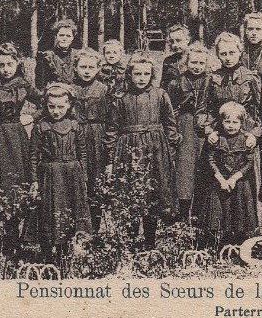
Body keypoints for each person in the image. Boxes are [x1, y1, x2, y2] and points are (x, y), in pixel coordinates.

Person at [196, 32, 262, 227]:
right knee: (216, 185)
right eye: (223, 53)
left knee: (245, 186)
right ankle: (218, 234)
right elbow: (201, 111)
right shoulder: (212, 78)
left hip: (245, 139)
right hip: (220, 139)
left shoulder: (251, 77)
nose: (227, 57)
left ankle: (247, 232)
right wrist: (209, 131)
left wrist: (255, 134)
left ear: (240, 52)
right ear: (217, 54)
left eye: (231, 52)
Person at [105, 54, 181, 250]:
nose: (141, 77)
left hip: (155, 149)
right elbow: (112, 129)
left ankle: (149, 243)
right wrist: (112, 157)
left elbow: (170, 124)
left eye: (146, 73)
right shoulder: (120, 98)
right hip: (128, 149)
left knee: (152, 195)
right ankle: (129, 243)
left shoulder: (160, 95)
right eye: (137, 73)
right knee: (131, 192)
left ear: (152, 75)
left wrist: (170, 151)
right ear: (129, 75)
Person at [30, 83, 91, 261]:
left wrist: (83, 177)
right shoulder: (41, 127)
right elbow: (33, 156)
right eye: (51, 107)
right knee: (49, 210)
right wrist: (34, 181)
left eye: (60, 107)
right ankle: (47, 253)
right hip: (49, 174)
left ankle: (64, 250)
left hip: (72, 174)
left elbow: (83, 153)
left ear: (69, 105)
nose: (56, 111)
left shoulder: (74, 126)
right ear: (46, 105)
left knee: (68, 210)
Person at [0, 42, 36, 249]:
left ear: (17, 63)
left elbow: (45, 101)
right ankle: (4, 230)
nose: (5, 69)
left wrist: (31, 117)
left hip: (17, 137)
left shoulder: (23, 85)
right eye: (1, 65)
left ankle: (18, 232)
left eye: (9, 64)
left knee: (18, 181)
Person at [198, 101, 259, 250]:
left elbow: (249, 162)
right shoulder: (216, 138)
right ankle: (217, 245)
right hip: (220, 181)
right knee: (219, 211)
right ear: (221, 122)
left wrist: (234, 178)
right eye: (227, 122)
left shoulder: (247, 140)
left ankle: (239, 244)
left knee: (239, 212)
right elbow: (210, 159)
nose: (231, 125)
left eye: (235, 122)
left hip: (238, 183)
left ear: (242, 123)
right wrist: (220, 178)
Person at [165, 41, 210, 223]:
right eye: (193, 63)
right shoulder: (176, 83)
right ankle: (182, 214)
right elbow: (169, 110)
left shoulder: (210, 80)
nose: (197, 67)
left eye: (201, 63)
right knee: (185, 170)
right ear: (186, 63)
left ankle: (201, 213)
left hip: (205, 128)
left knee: (204, 168)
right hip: (184, 127)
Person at [71, 48, 109, 231]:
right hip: (75, 136)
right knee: (76, 178)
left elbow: (111, 118)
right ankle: (75, 227)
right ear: (75, 68)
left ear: (98, 68)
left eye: (91, 67)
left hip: (97, 136)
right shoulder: (70, 89)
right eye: (83, 67)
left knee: (95, 180)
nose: (87, 71)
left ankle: (94, 227)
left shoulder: (104, 89)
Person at [35, 18, 77, 90]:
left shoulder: (77, 55)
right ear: (56, 36)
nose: (64, 38)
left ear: (73, 38)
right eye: (61, 35)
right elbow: (40, 84)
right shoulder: (46, 57)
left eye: (68, 36)